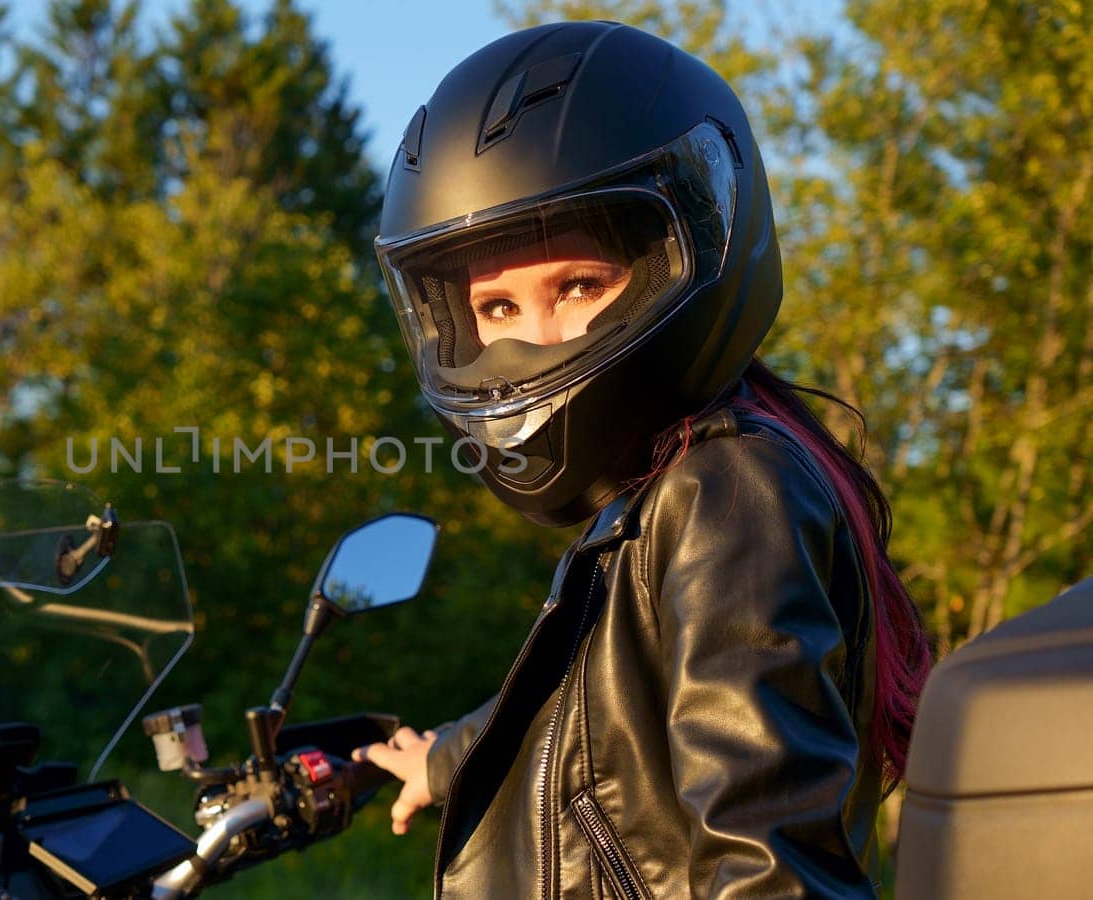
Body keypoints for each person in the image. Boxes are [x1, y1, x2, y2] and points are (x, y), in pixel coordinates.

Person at [352, 20, 932, 899]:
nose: (534, 341)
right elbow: (598, 705)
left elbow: (771, 867)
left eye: (579, 287)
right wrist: (444, 759)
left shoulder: (730, 491)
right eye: (497, 310)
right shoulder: (661, 505)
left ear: (690, 253)